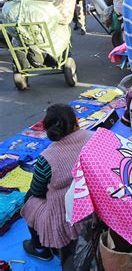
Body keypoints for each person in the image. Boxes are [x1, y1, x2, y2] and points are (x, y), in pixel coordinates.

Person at [21, 104, 92, 262]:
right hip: (90, 199)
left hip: (64, 211)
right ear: (76, 122)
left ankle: (39, 246)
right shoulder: (93, 138)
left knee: (29, 199)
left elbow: (38, 191)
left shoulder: (46, 158)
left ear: (47, 129)